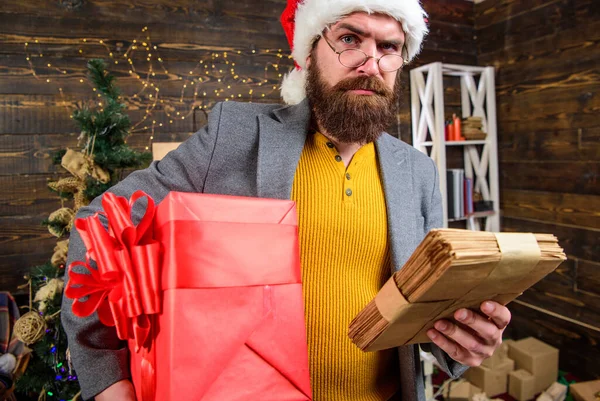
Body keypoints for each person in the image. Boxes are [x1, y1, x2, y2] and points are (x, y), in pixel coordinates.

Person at [61, 0, 512, 400]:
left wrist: (461, 339)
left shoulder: (417, 171)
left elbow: (428, 302)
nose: (369, 63)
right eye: (349, 39)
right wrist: (106, 377)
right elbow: (100, 223)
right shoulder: (232, 136)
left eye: (389, 47)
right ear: (309, 52)